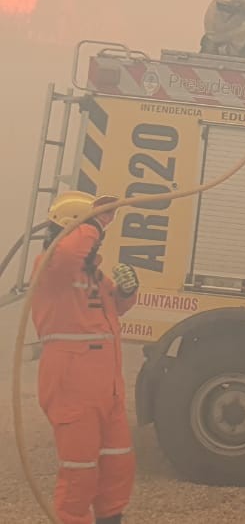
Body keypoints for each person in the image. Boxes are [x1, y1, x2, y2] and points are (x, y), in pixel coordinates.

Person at [30, 191, 140, 524]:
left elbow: (114, 309)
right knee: (80, 472)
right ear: (74, 231)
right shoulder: (51, 266)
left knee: (117, 465)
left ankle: (110, 519)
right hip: (71, 383)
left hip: (106, 386)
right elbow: (67, 255)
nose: (96, 244)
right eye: (91, 235)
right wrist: (94, 223)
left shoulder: (92, 275)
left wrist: (126, 292)